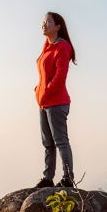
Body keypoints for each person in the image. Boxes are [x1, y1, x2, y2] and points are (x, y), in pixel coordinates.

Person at [34, 11, 78, 188]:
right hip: (43, 102)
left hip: (57, 102)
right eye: (43, 22)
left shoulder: (62, 47)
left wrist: (45, 92)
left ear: (58, 26)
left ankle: (68, 178)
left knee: (60, 141)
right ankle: (47, 178)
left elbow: (60, 76)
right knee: (47, 143)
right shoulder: (47, 47)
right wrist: (38, 91)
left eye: (48, 22)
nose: (44, 24)